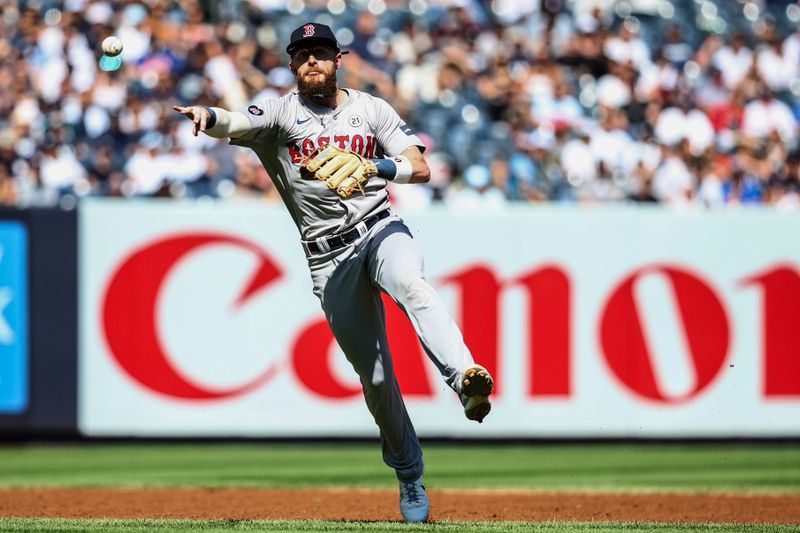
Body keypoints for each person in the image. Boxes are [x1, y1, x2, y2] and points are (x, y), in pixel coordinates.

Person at [173, 22, 494, 523]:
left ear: (338, 58)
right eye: (302, 55)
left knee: (412, 284)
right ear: (291, 64)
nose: (312, 62)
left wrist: (378, 169)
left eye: (320, 52)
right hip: (327, 257)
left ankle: (464, 376)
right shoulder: (280, 114)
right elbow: (234, 122)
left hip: (380, 227)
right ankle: (410, 476)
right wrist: (205, 114)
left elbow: (421, 168)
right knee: (376, 376)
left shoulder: (371, 109)